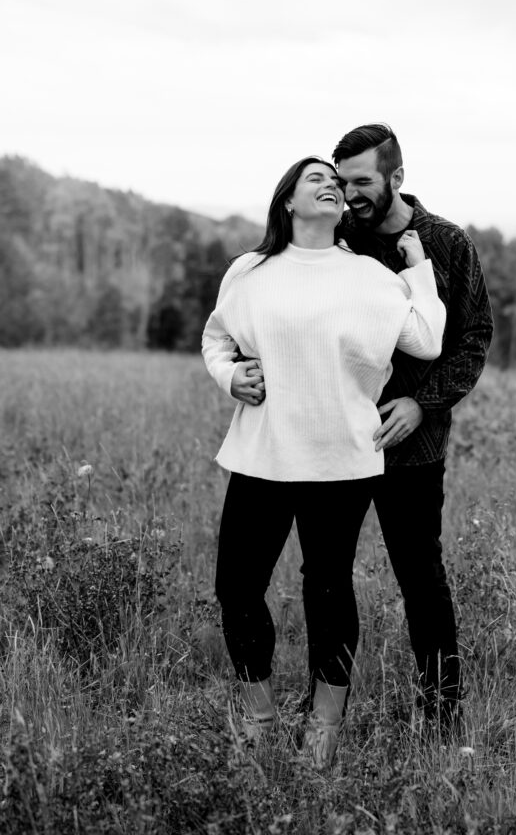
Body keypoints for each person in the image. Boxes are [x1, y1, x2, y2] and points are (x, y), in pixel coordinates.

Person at [202, 156, 445, 768]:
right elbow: (215, 338)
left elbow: (427, 340)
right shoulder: (250, 270)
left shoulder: (368, 275)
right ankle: (258, 715)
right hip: (263, 452)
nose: (331, 186)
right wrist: (231, 375)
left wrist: (419, 273)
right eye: (317, 178)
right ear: (287, 200)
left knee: (328, 589)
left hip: (341, 460)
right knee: (236, 587)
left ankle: (324, 726)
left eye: (336, 182)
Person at [332, 123, 494, 733]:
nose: (350, 195)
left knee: (421, 578)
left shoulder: (447, 243)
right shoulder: (334, 242)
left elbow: (473, 336)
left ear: (397, 177)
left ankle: (441, 712)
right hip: (338, 440)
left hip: (416, 446)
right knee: (326, 576)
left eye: (363, 182)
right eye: (342, 182)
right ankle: (327, 709)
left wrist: (422, 403)